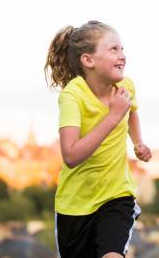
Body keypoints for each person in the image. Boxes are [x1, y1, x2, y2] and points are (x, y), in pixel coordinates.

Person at [45, 20, 151, 258]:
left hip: (116, 196)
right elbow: (71, 155)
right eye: (114, 49)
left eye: (122, 49)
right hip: (74, 206)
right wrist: (113, 116)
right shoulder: (72, 96)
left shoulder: (126, 86)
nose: (122, 55)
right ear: (88, 60)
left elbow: (131, 111)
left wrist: (138, 142)